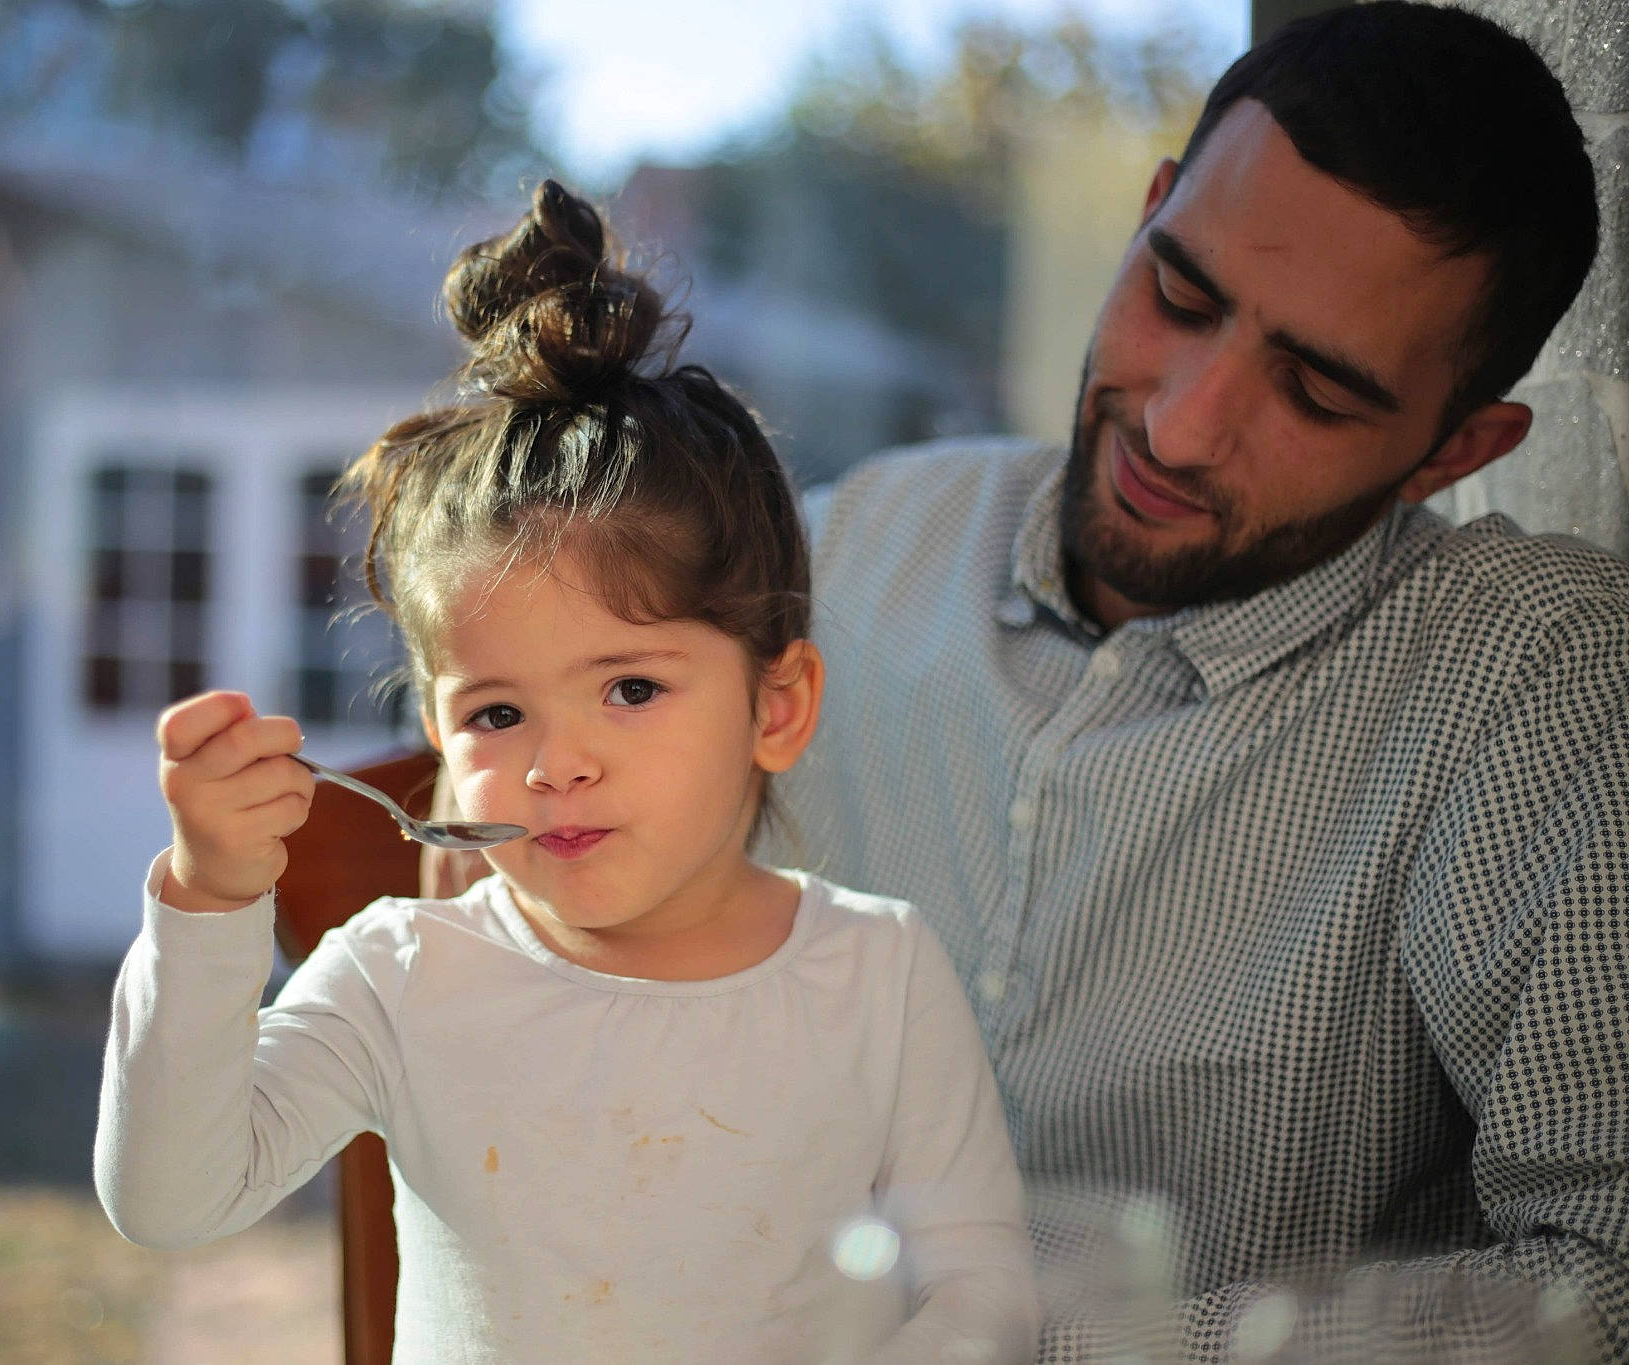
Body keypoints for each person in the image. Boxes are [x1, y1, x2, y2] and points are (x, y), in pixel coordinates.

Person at [767, 3, 1625, 1360]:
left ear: (1457, 448)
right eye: (1182, 296)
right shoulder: (851, 547)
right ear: (1153, 209)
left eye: (1320, 394)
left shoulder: (1522, 679)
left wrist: (1085, 1343)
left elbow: (1609, 1279)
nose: (1181, 422)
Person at [93, 182, 1041, 1362]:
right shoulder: (402, 977)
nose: (558, 763)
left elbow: (979, 1290)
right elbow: (170, 1199)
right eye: (497, 711)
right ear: (439, 740)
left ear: (776, 704)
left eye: (630, 689)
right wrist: (210, 897)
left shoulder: (879, 975)